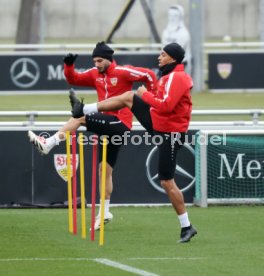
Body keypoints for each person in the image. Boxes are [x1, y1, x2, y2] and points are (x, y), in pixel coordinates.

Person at [70, 42, 197, 243]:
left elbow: (166, 105)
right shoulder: (169, 76)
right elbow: (160, 101)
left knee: (166, 181)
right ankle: (84, 110)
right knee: (129, 96)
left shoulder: (177, 77)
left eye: (162, 54)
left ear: (172, 58)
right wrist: (146, 96)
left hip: (170, 133)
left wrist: (144, 95)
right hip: (160, 125)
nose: (159, 57)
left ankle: (187, 226)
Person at [28, 41, 157, 231]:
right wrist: (68, 65)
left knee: (80, 117)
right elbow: (73, 79)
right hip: (108, 125)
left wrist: (151, 99)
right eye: (94, 60)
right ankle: (105, 212)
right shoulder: (94, 74)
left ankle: (49, 143)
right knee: (104, 171)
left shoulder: (123, 71)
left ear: (108, 59)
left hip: (120, 124)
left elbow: (149, 75)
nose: (96, 64)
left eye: (99, 60)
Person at [162, 5, 192, 75]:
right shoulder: (165, 32)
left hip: (181, 65)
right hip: (167, 64)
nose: (172, 18)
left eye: (175, 16)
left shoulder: (183, 33)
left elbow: (177, 51)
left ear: (180, 17)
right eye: (170, 15)